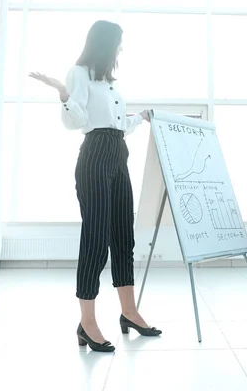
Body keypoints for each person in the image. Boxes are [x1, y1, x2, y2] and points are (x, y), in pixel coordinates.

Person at [29, 20, 161, 353]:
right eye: (118, 43)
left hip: (118, 153)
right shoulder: (79, 73)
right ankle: (87, 322)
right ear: (104, 44)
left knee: (123, 237)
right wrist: (63, 94)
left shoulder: (109, 83)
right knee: (96, 238)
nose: (120, 49)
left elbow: (116, 126)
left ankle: (129, 313)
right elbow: (77, 122)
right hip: (95, 157)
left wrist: (139, 118)